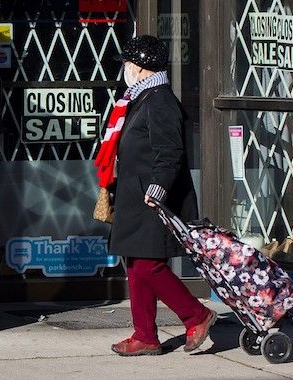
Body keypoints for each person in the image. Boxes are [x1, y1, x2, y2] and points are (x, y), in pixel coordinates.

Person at [94, 35, 217, 356]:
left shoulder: (160, 101)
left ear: (140, 68)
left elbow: (171, 152)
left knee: (149, 265)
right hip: (134, 196)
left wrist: (157, 189)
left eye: (127, 64)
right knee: (135, 264)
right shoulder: (141, 97)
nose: (124, 69)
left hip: (153, 198)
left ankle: (196, 314)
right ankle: (145, 335)